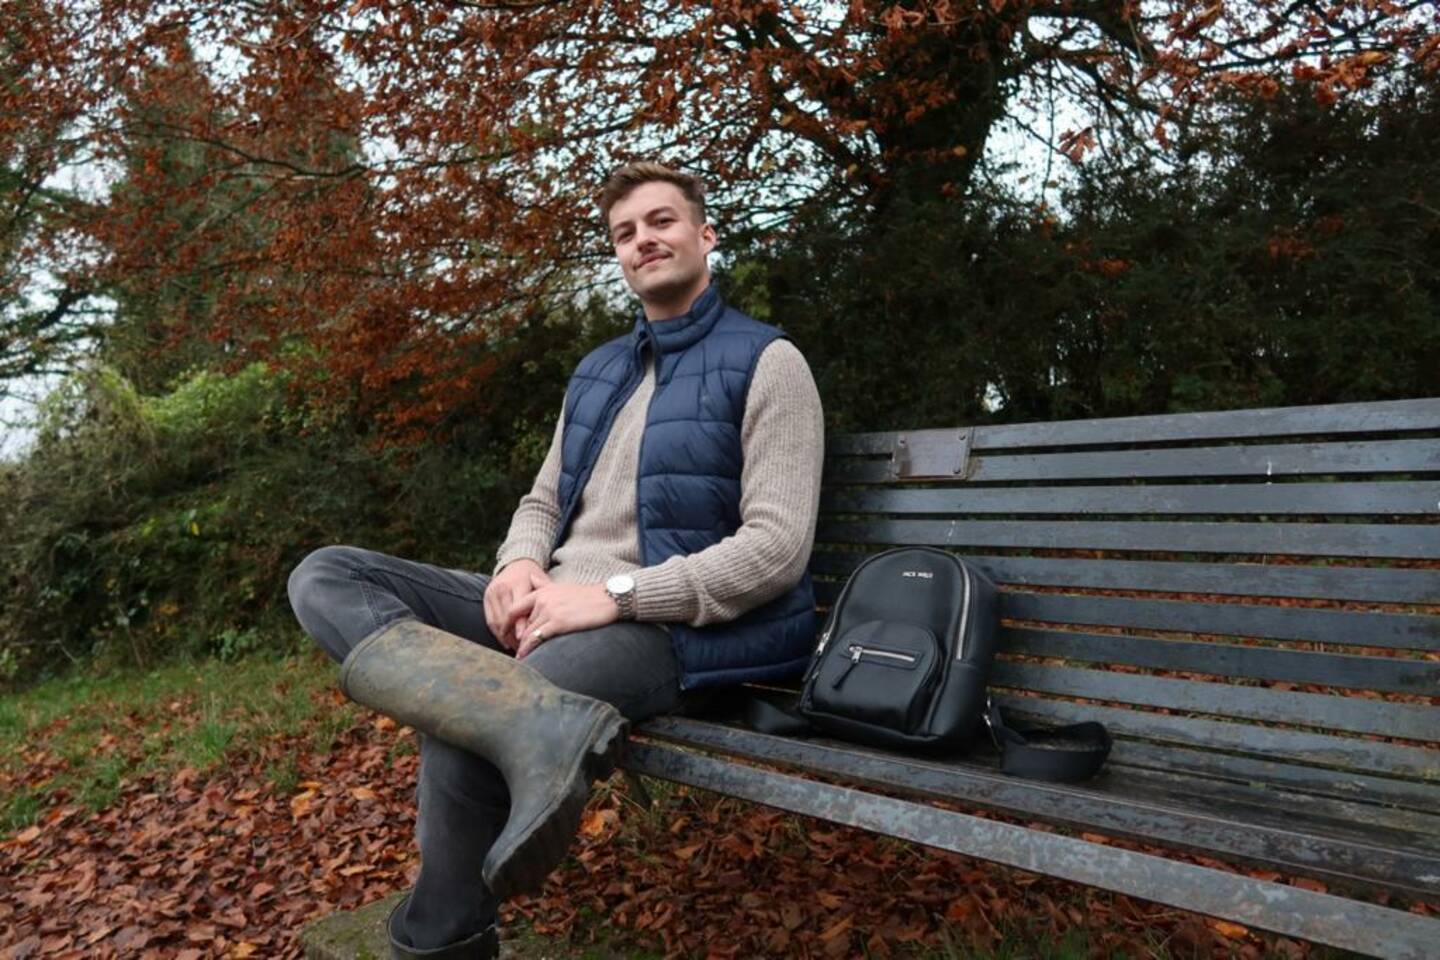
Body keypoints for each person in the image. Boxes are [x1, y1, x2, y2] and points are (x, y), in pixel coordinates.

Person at [286, 162, 825, 960]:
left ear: (705, 235)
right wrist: (515, 569)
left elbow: (776, 550)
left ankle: (440, 938)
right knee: (326, 575)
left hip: (667, 628)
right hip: (555, 606)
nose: (644, 239)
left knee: (463, 718)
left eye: (661, 221)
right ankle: (527, 726)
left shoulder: (770, 362)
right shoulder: (599, 371)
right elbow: (543, 502)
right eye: (625, 232)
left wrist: (613, 595)